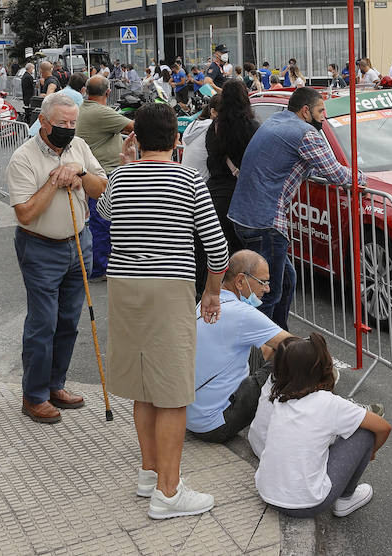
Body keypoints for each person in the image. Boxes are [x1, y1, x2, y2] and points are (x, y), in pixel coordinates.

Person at [99, 103, 229, 520]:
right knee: (172, 392)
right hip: (169, 288)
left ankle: (150, 473)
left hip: (123, 288)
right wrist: (211, 293)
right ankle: (168, 493)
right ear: (177, 140)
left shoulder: (118, 179)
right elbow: (218, 249)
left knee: (143, 386)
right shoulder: (190, 180)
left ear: (135, 138)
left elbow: (103, 215)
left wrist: (124, 163)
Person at [6, 92, 108, 424]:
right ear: (43, 121)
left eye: (72, 122)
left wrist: (78, 173)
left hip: (79, 242)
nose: (68, 128)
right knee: (43, 323)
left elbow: (99, 187)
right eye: (61, 123)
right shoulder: (23, 158)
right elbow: (25, 213)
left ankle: (55, 385)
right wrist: (55, 181)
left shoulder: (79, 147)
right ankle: (33, 395)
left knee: (68, 321)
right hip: (40, 248)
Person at [228, 87, 362, 330]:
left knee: (288, 280)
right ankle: (263, 354)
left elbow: (293, 163)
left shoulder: (276, 122)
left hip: (245, 217)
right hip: (265, 222)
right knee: (267, 293)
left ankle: (280, 339)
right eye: (321, 110)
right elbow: (335, 173)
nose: (324, 115)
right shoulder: (305, 133)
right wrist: (362, 179)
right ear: (305, 111)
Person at [249, 333, 391, 518]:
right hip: (306, 506)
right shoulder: (329, 403)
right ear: (321, 367)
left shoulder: (279, 398)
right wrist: (370, 452)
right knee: (365, 434)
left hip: (267, 493)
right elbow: (383, 427)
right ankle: (346, 499)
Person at [187, 250, 295, 442]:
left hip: (190, 417)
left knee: (264, 346)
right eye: (263, 282)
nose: (267, 289)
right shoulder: (242, 314)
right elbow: (298, 346)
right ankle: (310, 419)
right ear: (240, 281)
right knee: (289, 358)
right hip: (215, 425)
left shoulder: (210, 301)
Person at [74, 75, 134, 277]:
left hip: (93, 172)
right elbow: (132, 127)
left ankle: (98, 262)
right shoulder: (100, 112)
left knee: (98, 220)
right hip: (103, 173)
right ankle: (99, 266)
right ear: (107, 93)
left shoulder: (85, 108)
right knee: (101, 221)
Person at [207, 79, 259, 251]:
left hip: (215, 196)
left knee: (220, 251)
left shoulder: (214, 127)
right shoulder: (251, 127)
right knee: (244, 252)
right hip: (242, 199)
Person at [180, 94, 218, 182]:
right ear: (213, 112)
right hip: (202, 182)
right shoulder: (212, 128)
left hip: (185, 180)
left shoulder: (192, 125)